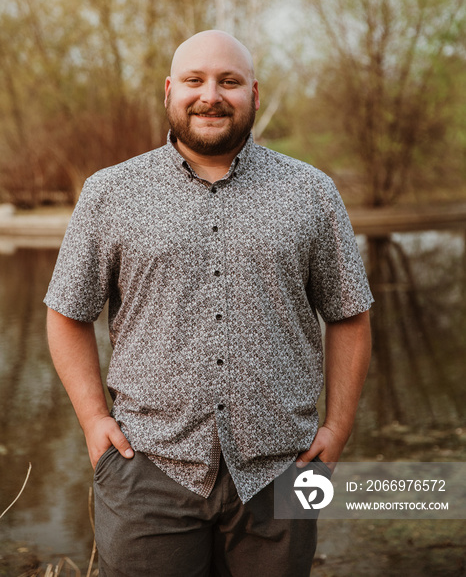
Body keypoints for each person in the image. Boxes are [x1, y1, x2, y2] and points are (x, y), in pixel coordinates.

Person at [45, 30, 373, 577]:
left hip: (283, 472)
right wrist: (92, 420)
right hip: (145, 470)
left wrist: (336, 431)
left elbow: (350, 316)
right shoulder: (110, 193)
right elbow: (66, 313)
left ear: (255, 94)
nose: (211, 95)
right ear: (170, 91)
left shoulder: (311, 192)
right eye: (195, 80)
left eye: (230, 82)